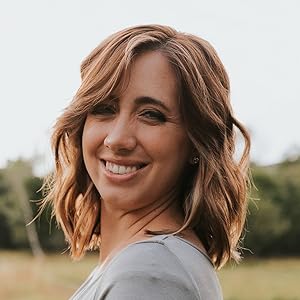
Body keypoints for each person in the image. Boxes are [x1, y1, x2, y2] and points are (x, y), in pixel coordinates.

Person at [43, 24, 250, 299]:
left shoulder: (149, 272)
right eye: (104, 109)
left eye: (152, 115)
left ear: (196, 142)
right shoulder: (142, 264)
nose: (117, 139)